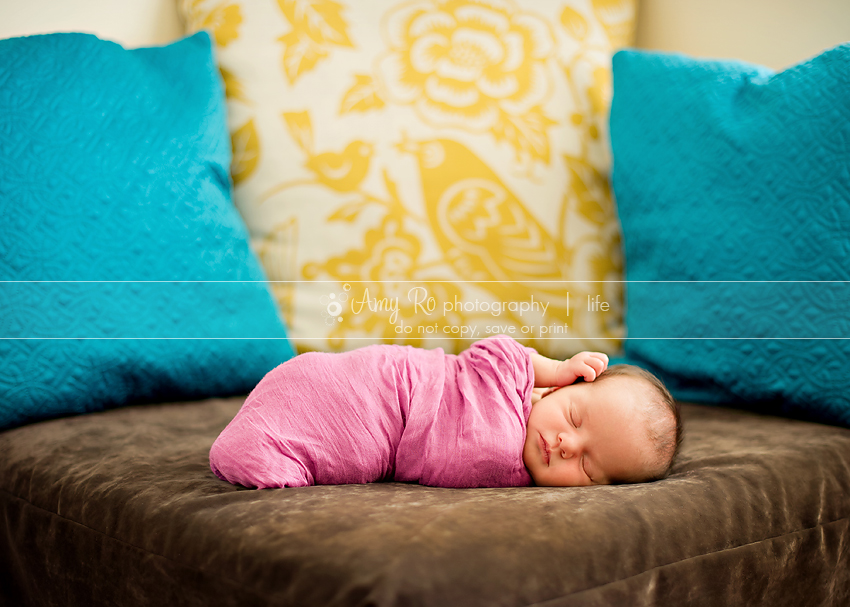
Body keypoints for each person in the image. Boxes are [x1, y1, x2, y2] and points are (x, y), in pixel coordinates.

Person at [210, 335, 681, 489]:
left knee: (351, 454)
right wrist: (552, 367)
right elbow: (496, 351)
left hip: (394, 440)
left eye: (588, 467)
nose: (566, 444)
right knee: (341, 415)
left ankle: (268, 451)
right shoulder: (512, 384)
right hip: (391, 389)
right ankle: (262, 435)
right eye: (576, 418)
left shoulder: (520, 479)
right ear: (565, 389)